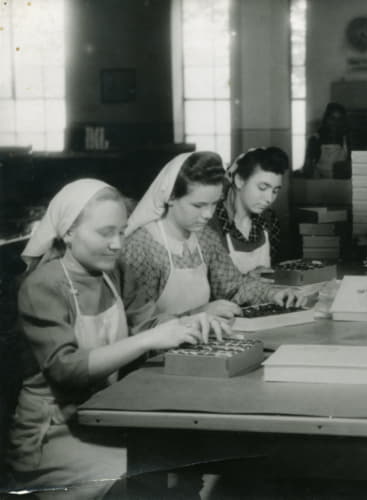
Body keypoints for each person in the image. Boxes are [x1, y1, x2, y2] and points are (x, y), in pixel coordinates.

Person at [7, 179, 206, 499]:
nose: (117, 244)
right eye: (105, 232)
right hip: (53, 434)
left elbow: (145, 323)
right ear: (68, 233)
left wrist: (191, 320)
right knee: (146, 480)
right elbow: (66, 369)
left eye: (122, 231)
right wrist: (149, 339)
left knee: (186, 460)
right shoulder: (44, 285)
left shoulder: (114, 272)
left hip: (104, 416)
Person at [121, 152, 302, 323]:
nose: (208, 214)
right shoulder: (141, 248)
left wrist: (272, 294)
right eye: (199, 205)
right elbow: (141, 325)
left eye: (214, 204)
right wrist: (198, 314)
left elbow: (233, 286)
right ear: (171, 197)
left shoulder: (204, 237)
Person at [211, 147, 288, 275]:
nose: (269, 199)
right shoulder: (212, 225)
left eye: (275, 191)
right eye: (262, 188)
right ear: (240, 181)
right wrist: (246, 281)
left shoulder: (269, 221)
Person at [302, 102, 351, 179]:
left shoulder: (346, 139)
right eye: (332, 118)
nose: (335, 123)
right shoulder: (315, 140)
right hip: (320, 184)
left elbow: (350, 165)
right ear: (326, 119)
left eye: (339, 119)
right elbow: (307, 168)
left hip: (341, 185)